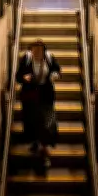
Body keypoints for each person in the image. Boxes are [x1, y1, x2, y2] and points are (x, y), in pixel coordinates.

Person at [16, 40, 61, 169]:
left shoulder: (49, 58)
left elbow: (57, 69)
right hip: (30, 96)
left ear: (43, 51)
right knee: (32, 121)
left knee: (46, 122)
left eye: (39, 50)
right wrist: (24, 78)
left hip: (46, 96)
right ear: (31, 50)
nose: (37, 53)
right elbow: (18, 76)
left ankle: (44, 150)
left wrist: (54, 75)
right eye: (34, 50)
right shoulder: (27, 59)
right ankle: (35, 141)